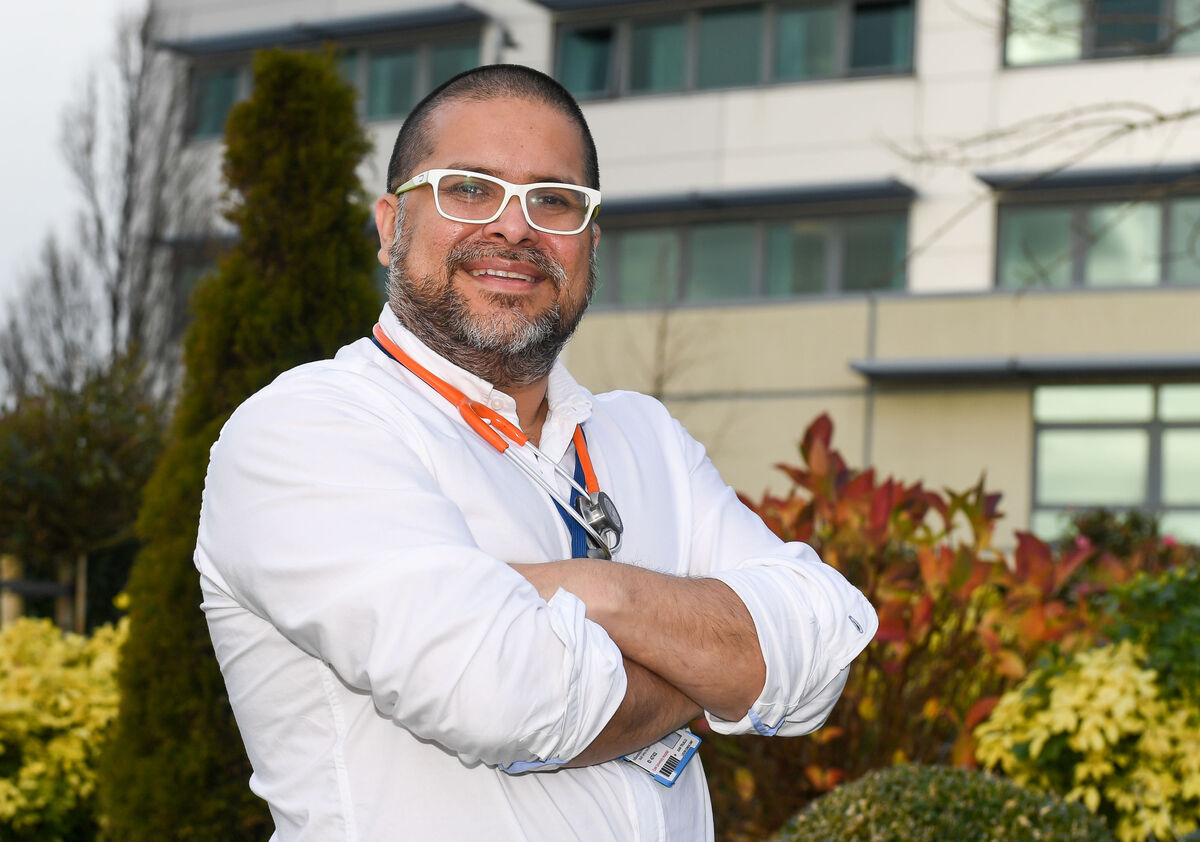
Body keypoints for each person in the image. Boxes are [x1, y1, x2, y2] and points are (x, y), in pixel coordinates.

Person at [195, 64, 877, 841]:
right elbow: (503, 699)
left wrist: (594, 593)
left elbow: (821, 649)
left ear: (590, 241)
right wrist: (718, 676)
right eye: (469, 188)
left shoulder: (643, 437)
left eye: (553, 200)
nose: (514, 228)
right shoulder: (308, 429)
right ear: (391, 227)